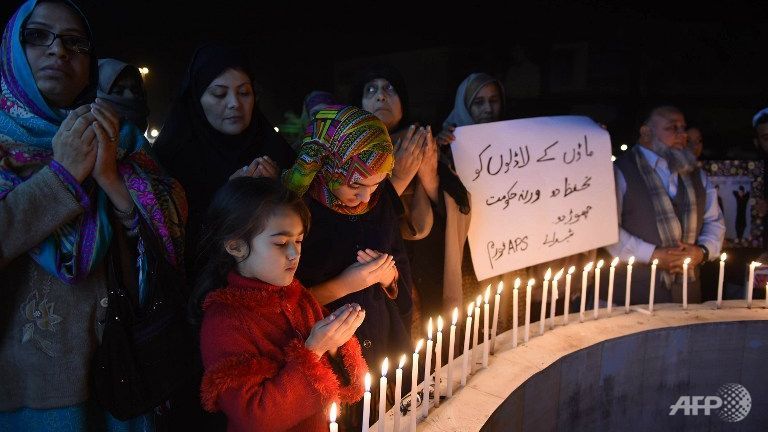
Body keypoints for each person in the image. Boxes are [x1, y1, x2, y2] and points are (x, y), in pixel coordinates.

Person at [0, 1, 186, 431]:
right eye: (37, 36)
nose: (58, 52)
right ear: (11, 49)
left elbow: (168, 237)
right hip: (23, 390)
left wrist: (109, 178)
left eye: (74, 43)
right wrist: (62, 177)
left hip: (120, 372)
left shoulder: (119, 139)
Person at [194, 177, 367, 432]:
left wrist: (335, 345)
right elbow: (256, 418)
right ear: (236, 246)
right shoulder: (225, 322)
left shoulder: (300, 297)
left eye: (298, 241)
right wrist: (313, 351)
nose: (295, 254)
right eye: (280, 243)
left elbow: (345, 386)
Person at [153, 43, 296, 278]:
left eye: (244, 92)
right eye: (219, 93)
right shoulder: (172, 157)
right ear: (197, 98)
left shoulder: (275, 150)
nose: (234, 104)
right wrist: (228, 198)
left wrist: (275, 192)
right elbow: (170, 244)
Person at [606, 105, 725, 305]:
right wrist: (652, 255)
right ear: (646, 132)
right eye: (672, 128)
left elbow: (714, 221)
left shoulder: (697, 174)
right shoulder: (619, 172)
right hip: (634, 295)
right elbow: (607, 231)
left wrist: (701, 252)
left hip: (688, 293)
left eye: (683, 128)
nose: (682, 135)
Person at [97, 58, 149, 132]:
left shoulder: (139, 138)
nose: (130, 96)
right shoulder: (82, 134)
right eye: (118, 91)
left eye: (135, 91)